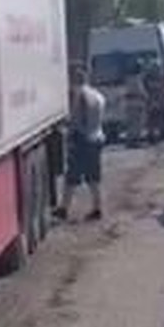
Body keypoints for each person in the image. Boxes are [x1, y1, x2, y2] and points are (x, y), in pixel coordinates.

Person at [57, 64, 106, 221]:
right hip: (97, 137)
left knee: (72, 177)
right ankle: (97, 208)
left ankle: (64, 208)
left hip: (82, 139)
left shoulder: (80, 96)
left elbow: (76, 119)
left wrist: (69, 131)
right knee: (93, 177)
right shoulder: (98, 96)